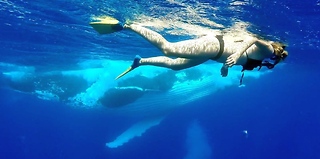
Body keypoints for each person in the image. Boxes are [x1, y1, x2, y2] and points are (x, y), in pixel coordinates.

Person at [90, 19, 288, 80]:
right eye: (277, 59)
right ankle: (127, 25)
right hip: (214, 45)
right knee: (168, 49)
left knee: (176, 66)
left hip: (212, 53)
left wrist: (228, 66)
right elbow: (252, 39)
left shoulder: (262, 60)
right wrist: (236, 54)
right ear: (278, 54)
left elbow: (243, 56)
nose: (273, 62)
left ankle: (140, 62)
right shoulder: (269, 50)